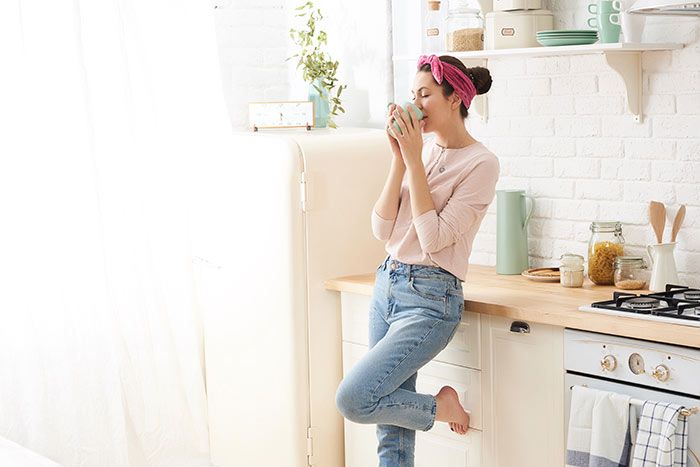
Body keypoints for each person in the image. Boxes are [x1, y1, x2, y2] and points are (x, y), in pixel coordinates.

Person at [334, 54, 500, 466]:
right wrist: (398, 158)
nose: (416, 104)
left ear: (454, 100)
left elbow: (433, 239)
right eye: (413, 95)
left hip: (431, 300)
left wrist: (412, 160)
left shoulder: (482, 163)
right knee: (391, 431)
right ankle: (435, 408)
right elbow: (381, 228)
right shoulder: (417, 153)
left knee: (355, 399)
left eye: (424, 94)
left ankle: (441, 408)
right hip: (387, 285)